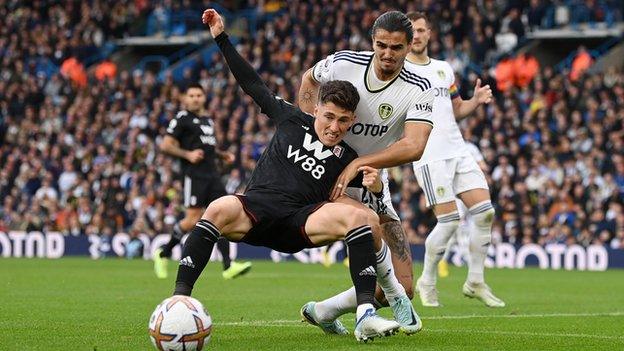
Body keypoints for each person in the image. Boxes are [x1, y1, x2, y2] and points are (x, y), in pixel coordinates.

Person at [173, 9, 416, 342]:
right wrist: (221, 38)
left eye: (344, 121)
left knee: (362, 219)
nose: (334, 127)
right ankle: (180, 298)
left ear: (352, 121)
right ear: (316, 108)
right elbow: (251, 83)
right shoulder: (290, 118)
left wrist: (373, 185)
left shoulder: (349, 158)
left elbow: (371, 203)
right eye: (329, 116)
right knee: (216, 208)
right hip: (255, 211)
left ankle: (365, 315)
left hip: (301, 223)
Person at [297, 10, 433, 326]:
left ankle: (323, 311)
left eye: (396, 47)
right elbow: (309, 79)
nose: (387, 53)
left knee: (404, 288)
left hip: (368, 182)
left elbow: (415, 146)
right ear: (372, 41)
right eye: (381, 45)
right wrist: (307, 129)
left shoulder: (418, 87)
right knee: (365, 225)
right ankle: (364, 316)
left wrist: (358, 162)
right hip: (326, 178)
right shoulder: (345, 63)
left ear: (410, 46)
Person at [406, 12, 504, 307]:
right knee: (448, 222)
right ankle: (428, 280)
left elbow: (455, 107)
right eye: (412, 31)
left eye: (422, 30)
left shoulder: (444, 69)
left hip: (458, 149)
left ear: (429, 33)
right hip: (428, 153)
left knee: (485, 212)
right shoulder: (399, 71)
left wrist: (475, 101)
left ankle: (475, 281)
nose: (418, 35)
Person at [153, 83, 252, 280]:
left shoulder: (207, 121)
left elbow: (207, 148)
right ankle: (163, 253)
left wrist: (222, 155)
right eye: (191, 95)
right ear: (185, 99)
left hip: (212, 175)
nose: (196, 98)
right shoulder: (182, 119)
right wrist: (187, 154)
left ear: (204, 97)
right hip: (194, 175)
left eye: (199, 95)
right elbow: (165, 145)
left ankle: (228, 266)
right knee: (191, 220)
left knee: (223, 215)